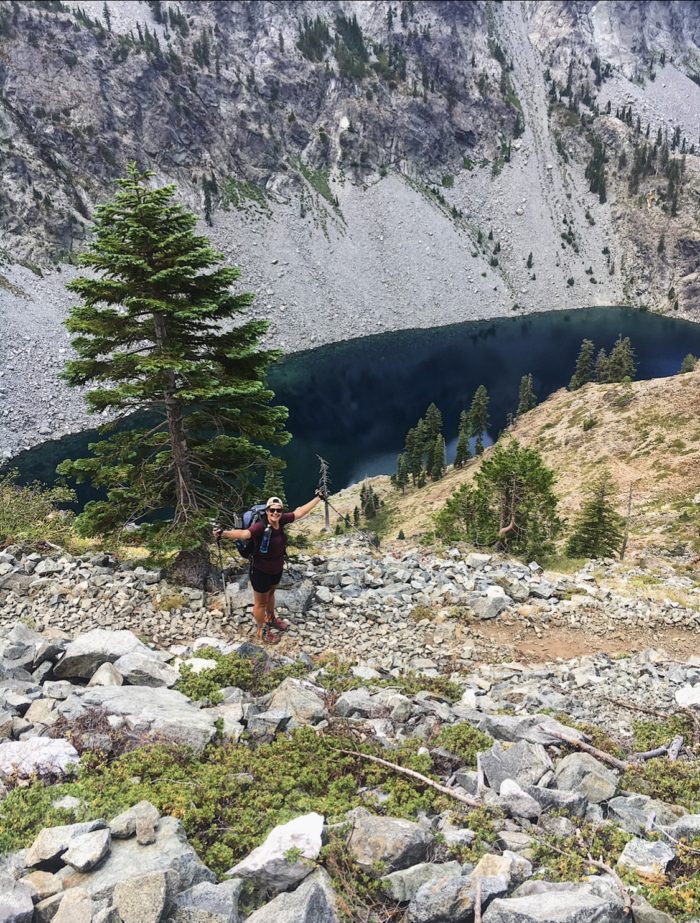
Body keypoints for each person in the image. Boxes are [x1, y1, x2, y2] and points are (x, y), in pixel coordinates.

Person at [213, 491, 325, 643]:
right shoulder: (260, 527)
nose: (275, 513)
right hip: (260, 570)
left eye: (278, 510)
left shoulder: (282, 520)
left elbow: (300, 512)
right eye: (272, 510)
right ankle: (261, 630)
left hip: (276, 568)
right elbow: (244, 534)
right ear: (267, 511)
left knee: (271, 594)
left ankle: (271, 618)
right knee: (260, 602)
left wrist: (318, 498)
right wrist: (224, 533)